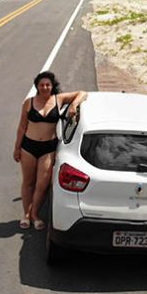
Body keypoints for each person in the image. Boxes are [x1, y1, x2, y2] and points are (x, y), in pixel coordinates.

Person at [13, 71, 86, 230]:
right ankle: (26, 214)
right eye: (41, 85)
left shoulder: (58, 100)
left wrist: (73, 105)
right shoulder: (29, 103)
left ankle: (35, 214)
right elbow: (21, 127)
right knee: (28, 182)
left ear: (52, 86)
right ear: (37, 87)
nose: (45, 87)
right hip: (28, 147)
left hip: (48, 147)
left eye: (48, 85)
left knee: (42, 184)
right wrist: (17, 148)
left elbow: (83, 93)